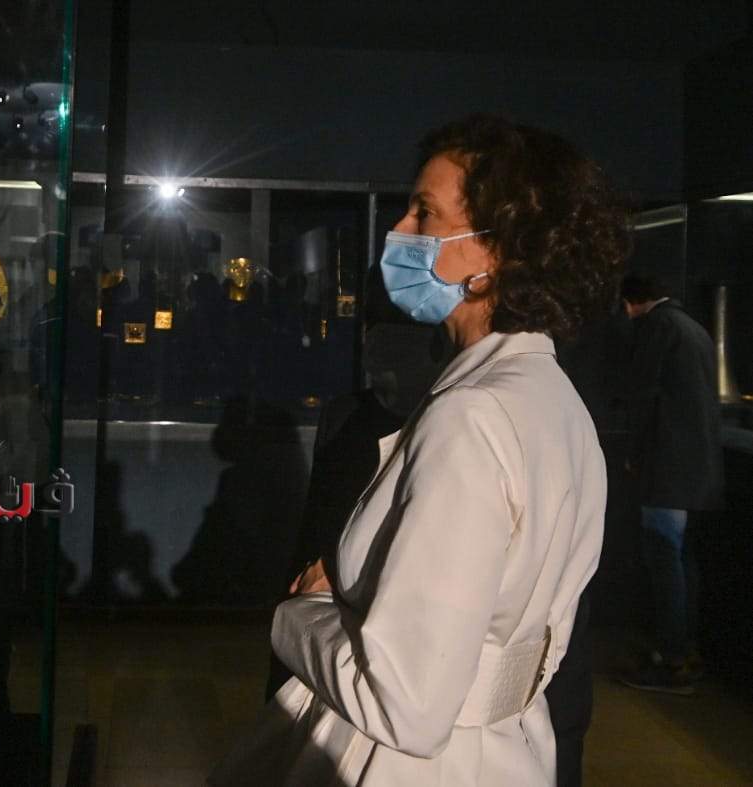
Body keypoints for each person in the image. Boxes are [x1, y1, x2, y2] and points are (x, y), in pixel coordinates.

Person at [210, 115, 628, 786]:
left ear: (497, 251)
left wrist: (306, 611)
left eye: (424, 212)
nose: (400, 230)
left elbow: (405, 703)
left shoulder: (471, 415)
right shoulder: (553, 398)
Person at [618, 273, 724, 694]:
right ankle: (684, 651)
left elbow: (643, 394)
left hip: (666, 466)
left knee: (664, 560)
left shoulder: (658, 327)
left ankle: (672, 659)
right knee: (681, 561)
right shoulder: (693, 328)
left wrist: (633, 452)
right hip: (698, 468)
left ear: (630, 301)